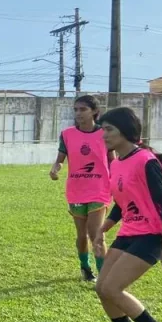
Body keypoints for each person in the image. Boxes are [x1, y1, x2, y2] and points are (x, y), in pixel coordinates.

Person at [92, 106, 162, 322]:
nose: (103, 135)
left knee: (112, 287)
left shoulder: (146, 161)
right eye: (102, 129)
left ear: (126, 131)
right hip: (130, 231)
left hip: (152, 234)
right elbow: (123, 202)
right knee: (101, 288)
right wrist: (103, 230)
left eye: (108, 129)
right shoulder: (118, 162)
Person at [50, 95, 112, 282]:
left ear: (94, 111)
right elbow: (60, 160)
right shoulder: (67, 134)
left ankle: (103, 275)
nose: (78, 113)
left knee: (96, 233)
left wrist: (119, 180)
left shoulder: (105, 133)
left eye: (83, 109)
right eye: (76, 109)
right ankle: (85, 268)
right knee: (81, 235)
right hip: (76, 190)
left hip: (100, 189)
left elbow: (113, 160)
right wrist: (55, 169)